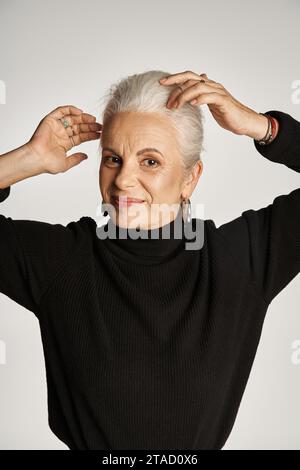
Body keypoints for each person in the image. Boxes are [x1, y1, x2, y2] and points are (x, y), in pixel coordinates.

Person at [0, 69, 299, 450]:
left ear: (190, 178)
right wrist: (28, 159)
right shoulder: (61, 262)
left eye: (150, 162)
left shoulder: (242, 261)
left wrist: (264, 127)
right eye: (112, 158)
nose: (123, 179)